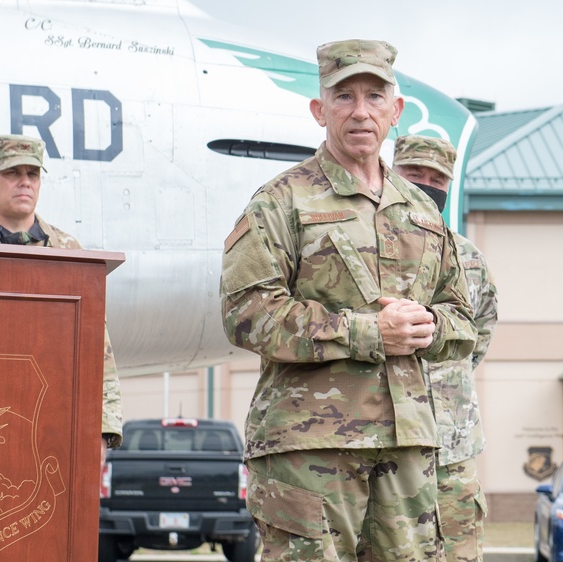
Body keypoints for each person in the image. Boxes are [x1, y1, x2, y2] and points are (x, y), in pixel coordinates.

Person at [219, 40, 476, 561]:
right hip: (309, 447)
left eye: (375, 96)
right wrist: (365, 332)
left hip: (407, 446)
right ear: (319, 110)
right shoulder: (281, 200)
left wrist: (427, 326)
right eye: (344, 97)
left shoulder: (422, 210)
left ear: (395, 111)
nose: (361, 111)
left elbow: (463, 320)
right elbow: (246, 314)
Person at [0, 133, 123, 462]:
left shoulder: (68, 252)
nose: (25, 183)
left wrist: (103, 429)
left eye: (32, 174)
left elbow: (96, 349)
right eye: (12, 173)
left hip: (48, 426)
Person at [393, 135, 497, 562]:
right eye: (414, 174)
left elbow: (481, 331)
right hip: (383, 448)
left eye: (437, 178)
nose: (426, 184)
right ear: (391, 174)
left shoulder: (467, 257)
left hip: (451, 448)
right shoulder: (362, 249)